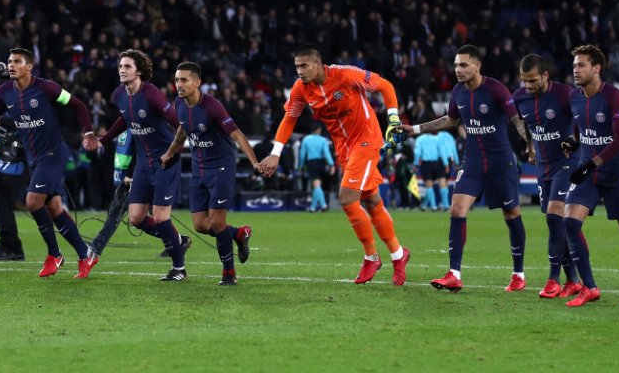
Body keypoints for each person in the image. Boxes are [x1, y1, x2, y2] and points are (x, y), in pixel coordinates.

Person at [258, 45, 412, 286]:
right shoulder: (301, 89)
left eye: (304, 66)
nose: (299, 71)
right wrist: (276, 153)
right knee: (370, 200)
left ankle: (371, 257)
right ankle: (398, 254)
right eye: (297, 66)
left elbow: (385, 85)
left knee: (347, 197)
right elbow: (289, 118)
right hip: (343, 148)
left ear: (318, 64)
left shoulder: (346, 75)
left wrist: (393, 118)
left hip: (366, 139)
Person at [0, 48, 101, 279]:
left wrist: (88, 132)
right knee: (54, 208)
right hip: (34, 159)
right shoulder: (5, 92)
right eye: (9, 61)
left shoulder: (47, 88)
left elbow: (79, 106)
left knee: (33, 202)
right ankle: (86, 254)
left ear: (29, 66)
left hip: (53, 154)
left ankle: (55, 255)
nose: (11, 65)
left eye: (17, 61)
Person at [403, 44, 535, 293]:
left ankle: (518, 273)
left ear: (477, 66)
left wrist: (530, 145)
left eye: (463, 64)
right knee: (456, 209)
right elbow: (450, 120)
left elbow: (516, 119)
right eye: (455, 65)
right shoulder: (458, 92)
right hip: (472, 161)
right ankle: (454, 273)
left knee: (511, 213)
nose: (458, 69)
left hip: (500, 161)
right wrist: (417, 128)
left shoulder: (495, 88)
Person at [561, 44, 619, 306]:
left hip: (615, 173)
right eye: (574, 65)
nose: (576, 69)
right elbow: (582, 129)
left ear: (596, 68)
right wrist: (574, 144)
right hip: (589, 170)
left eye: (581, 65)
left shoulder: (613, 96)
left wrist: (591, 163)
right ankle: (590, 287)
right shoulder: (575, 98)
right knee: (570, 222)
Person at [160, 62, 257, 286]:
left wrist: (254, 162)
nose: (179, 84)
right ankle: (240, 234)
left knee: (217, 222)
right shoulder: (179, 104)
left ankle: (229, 274)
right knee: (201, 225)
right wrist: (168, 154)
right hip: (199, 170)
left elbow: (238, 135)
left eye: (183, 80)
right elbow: (182, 132)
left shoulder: (212, 106)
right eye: (176, 80)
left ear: (197, 83)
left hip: (221, 168)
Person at [97, 50, 191, 280]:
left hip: (165, 161)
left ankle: (179, 268)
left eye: (128, 66)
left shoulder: (152, 95)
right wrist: (104, 139)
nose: (122, 69)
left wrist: (173, 151)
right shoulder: (119, 94)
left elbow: (179, 124)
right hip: (143, 164)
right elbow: (124, 119)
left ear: (139, 71)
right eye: (120, 65)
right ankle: (177, 240)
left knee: (160, 218)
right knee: (136, 219)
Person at [512, 54, 581, 299]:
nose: (528, 86)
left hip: (568, 163)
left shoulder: (565, 94)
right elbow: (526, 126)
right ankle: (573, 280)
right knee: (554, 221)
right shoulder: (520, 98)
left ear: (545, 75)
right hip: (543, 167)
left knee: (554, 217)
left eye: (532, 80)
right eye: (524, 81)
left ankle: (553, 279)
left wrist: (575, 141)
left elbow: (584, 120)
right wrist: (530, 146)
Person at [88, 130, 134, 256]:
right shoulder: (124, 123)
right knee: (117, 214)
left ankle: (96, 247)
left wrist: (130, 174)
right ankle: (178, 240)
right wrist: (100, 142)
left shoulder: (134, 122)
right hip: (123, 178)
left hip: (132, 178)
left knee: (142, 218)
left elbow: (140, 151)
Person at [0, 114, 28, 261]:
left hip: (21, 162)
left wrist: (1, 121)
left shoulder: (20, 103)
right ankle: (13, 246)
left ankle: (9, 246)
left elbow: (16, 123)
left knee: (3, 204)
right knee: (2, 203)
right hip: (15, 162)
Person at [298, 124, 334, 199]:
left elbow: (302, 155)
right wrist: (331, 164)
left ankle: (323, 205)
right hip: (322, 163)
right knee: (318, 186)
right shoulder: (323, 140)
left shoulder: (306, 139)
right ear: (318, 130)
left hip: (312, 163)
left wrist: (301, 165)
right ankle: (313, 207)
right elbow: (326, 153)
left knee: (316, 186)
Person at [413, 131, 445, 211]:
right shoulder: (437, 139)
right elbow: (441, 152)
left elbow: (417, 152)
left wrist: (416, 164)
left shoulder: (420, 139)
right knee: (431, 185)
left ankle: (434, 207)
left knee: (429, 186)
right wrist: (445, 163)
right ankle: (423, 205)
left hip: (426, 164)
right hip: (436, 163)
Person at [435, 130, 458, 209]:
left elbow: (441, 151)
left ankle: (446, 204)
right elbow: (454, 150)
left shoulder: (438, 137)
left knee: (442, 180)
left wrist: (445, 164)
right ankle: (444, 203)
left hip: (441, 160)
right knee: (446, 182)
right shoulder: (451, 137)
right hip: (449, 160)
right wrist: (457, 162)